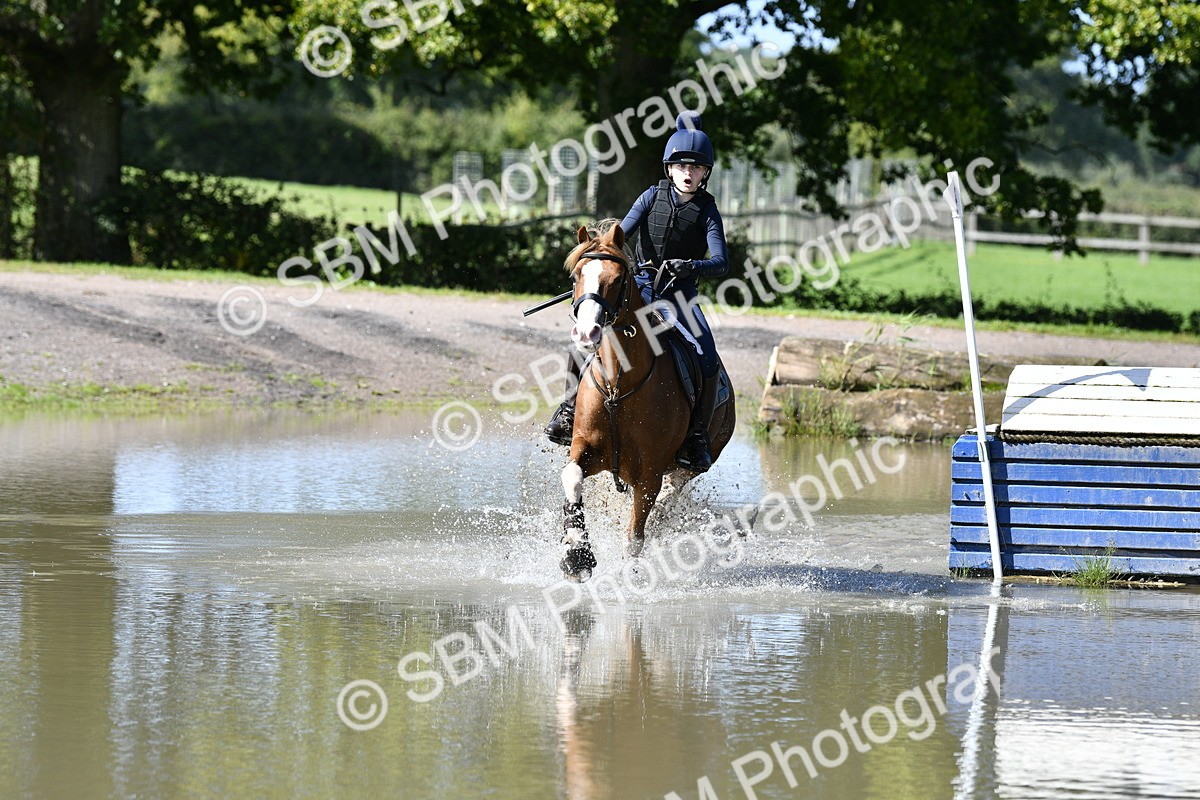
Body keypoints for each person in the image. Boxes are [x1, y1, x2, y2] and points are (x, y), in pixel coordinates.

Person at [545, 110, 728, 472]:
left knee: (706, 355)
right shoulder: (650, 197)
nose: (688, 172)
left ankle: (696, 436)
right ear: (669, 169)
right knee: (584, 341)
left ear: (705, 172)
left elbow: (721, 262)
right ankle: (568, 410)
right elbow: (619, 237)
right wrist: (598, 268)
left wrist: (690, 266)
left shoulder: (708, 210)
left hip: (681, 298)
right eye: (681, 166)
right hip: (640, 290)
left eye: (696, 167)